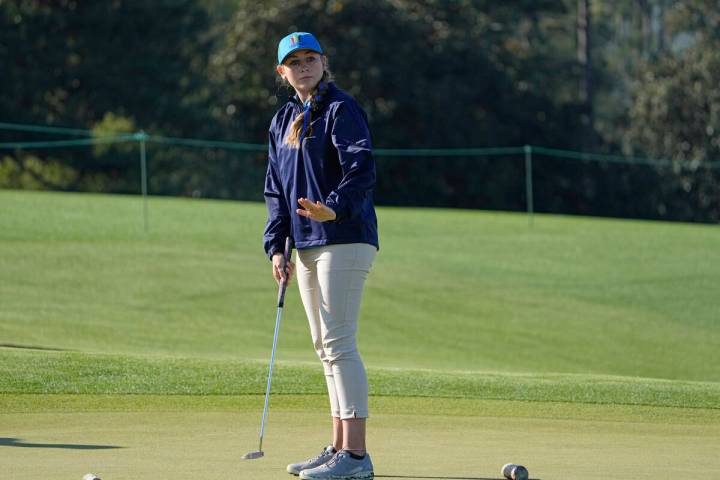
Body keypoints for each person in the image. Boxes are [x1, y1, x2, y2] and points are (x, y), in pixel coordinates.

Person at [263, 32, 379, 480]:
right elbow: (276, 188)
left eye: (311, 58)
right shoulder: (283, 120)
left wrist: (334, 206)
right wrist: (276, 244)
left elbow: (361, 167)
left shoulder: (340, 109)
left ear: (323, 62)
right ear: (283, 72)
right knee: (324, 346)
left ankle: (356, 457)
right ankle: (337, 448)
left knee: (339, 343)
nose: (304, 66)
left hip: (345, 235)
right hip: (307, 242)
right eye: (294, 61)